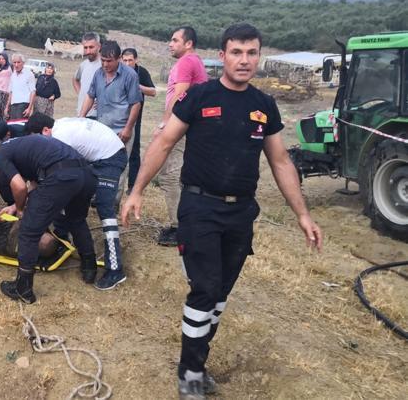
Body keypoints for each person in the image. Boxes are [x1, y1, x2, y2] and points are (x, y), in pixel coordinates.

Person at [121, 23, 323, 400]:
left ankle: (197, 360)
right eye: (236, 52)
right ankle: (191, 374)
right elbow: (164, 144)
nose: (244, 60)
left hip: (241, 214)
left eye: (251, 53)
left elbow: (280, 162)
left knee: (220, 296)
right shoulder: (199, 96)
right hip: (199, 207)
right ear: (223, 55)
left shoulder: (264, 105)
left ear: (259, 56)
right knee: (206, 289)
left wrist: (303, 215)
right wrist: (137, 191)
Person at [0, 134, 98, 304]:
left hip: (62, 177)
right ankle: (89, 268)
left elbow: (19, 186)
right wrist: (14, 207)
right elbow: (35, 185)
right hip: (86, 175)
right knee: (76, 220)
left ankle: (23, 289)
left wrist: (19, 209)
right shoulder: (22, 145)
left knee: (28, 232)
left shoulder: (1, 153)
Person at [25, 113, 128, 289]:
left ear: (45, 130)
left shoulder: (60, 137)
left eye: (38, 140)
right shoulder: (58, 127)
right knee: (67, 195)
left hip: (110, 157)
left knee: (105, 209)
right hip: (95, 157)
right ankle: (62, 239)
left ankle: (115, 269)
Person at [156, 26, 209, 247]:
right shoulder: (195, 62)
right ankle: (187, 221)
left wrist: (166, 123)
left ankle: (179, 227)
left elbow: (180, 94)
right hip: (193, 126)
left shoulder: (186, 62)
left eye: (175, 40)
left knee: (169, 174)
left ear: (188, 44)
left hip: (182, 126)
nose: (170, 43)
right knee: (182, 176)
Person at [79, 40, 142, 204]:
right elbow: (90, 95)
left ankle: (112, 202)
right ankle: (97, 195)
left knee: (119, 167)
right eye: (103, 60)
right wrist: (81, 117)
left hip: (122, 129)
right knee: (98, 162)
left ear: (119, 58)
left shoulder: (130, 75)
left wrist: (128, 128)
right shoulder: (98, 74)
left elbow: (136, 103)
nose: (105, 64)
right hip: (102, 127)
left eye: (109, 61)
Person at [121, 48, 157, 194]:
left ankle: (132, 185)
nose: (127, 63)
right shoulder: (119, 71)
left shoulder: (141, 72)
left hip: (136, 117)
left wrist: (138, 86)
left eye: (130, 60)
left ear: (136, 60)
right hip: (118, 116)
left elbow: (153, 91)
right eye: (125, 60)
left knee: (134, 151)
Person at [73, 32, 102, 118]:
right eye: (85, 48)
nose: (88, 51)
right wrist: (80, 94)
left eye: (91, 47)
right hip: (81, 113)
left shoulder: (104, 65)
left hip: (96, 114)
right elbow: (75, 79)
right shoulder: (83, 65)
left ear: (99, 46)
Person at [5, 53, 36, 120]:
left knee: (20, 126)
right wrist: (7, 107)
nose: (16, 65)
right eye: (14, 62)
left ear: (23, 63)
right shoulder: (13, 75)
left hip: (23, 104)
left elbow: (33, 92)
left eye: (18, 62)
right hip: (13, 105)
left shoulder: (29, 74)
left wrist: (29, 108)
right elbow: (11, 92)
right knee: (12, 126)